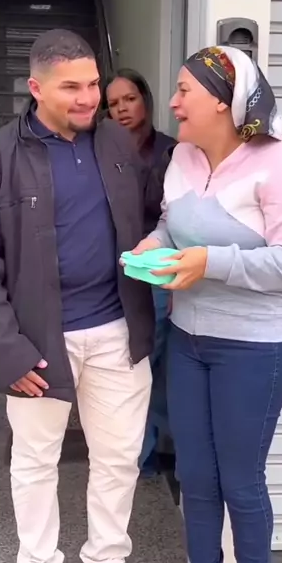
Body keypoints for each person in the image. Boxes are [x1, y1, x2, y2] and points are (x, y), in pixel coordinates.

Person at [0, 29, 158, 563]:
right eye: (72, 86)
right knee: (35, 461)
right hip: (39, 341)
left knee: (119, 455)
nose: (89, 97)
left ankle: (107, 557)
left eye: (94, 83)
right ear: (36, 88)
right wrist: (7, 351)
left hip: (118, 330)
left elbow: (157, 209)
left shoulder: (116, 142)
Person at [130, 46, 282, 563]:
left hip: (254, 352)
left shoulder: (279, 163)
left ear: (223, 102)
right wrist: (154, 244)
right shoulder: (183, 157)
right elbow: (172, 224)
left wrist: (211, 262)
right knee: (196, 477)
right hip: (188, 342)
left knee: (241, 481)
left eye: (185, 90)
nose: (173, 102)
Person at [106, 69, 176, 475]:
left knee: (153, 359)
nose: (122, 109)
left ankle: (149, 452)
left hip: (158, 271)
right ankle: (137, 451)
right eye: (113, 104)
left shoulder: (170, 152)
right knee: (128, 362)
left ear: (145, 101)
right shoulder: (101, 152)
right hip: (116, 272)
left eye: (129, 99)